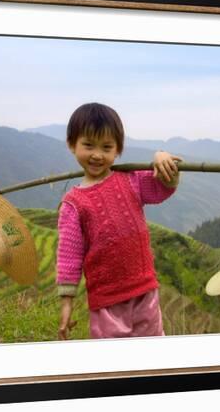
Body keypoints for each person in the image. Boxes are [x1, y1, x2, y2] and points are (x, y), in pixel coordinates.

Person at [56, 102, 181, 340]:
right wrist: (66, 303)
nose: (97, 155)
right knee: (113, 361)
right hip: (106, 302)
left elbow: (162, 187)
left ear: (118, 150)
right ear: (72, 145)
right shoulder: (73, 204)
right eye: (88, 145)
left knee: (154, 355)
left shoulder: (130, 181)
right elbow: (69, 258)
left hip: (145, 292)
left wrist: (162, 158)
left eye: (106, 147)